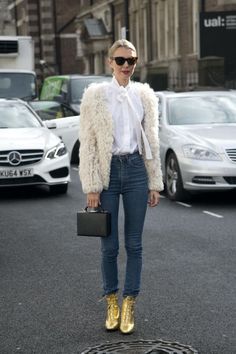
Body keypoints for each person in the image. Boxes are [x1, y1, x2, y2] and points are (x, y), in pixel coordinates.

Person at [79, 39, 163, 334]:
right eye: (120, 60)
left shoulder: (144, 96)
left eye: (131, 60)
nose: (126, 65)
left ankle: (130, 301)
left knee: (135, 244)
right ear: (109, 62)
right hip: (108, 173)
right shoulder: (96, 95)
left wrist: (154, 182)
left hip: (137, 170)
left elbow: (151, 141)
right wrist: (91, 184)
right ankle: (111, 300)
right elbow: (88, 142)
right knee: (109, 246)